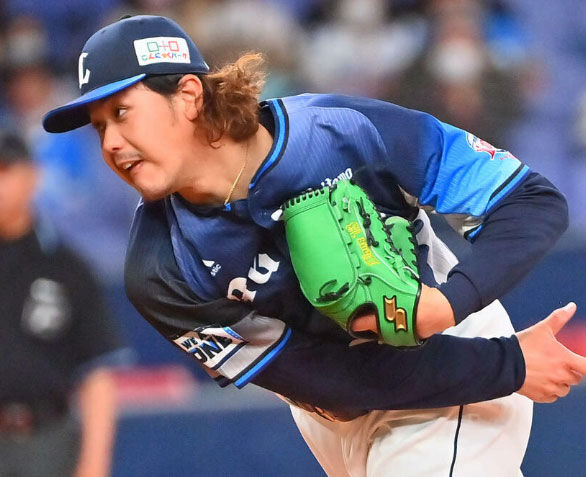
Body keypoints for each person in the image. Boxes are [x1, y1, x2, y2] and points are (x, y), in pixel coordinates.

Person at [42, 15, 586, 477]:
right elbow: (329, 380)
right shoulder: (160, 270)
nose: (111, 143)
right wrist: (507, 365)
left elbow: (531, 199)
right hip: (336, 411)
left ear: (188, 95)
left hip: (449, 350)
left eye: (121, 113)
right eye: (98, 126)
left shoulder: (339, 130)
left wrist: (449, 307)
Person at [0, 130, 129, 477]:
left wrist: (94, 465)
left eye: (5, 170)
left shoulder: (66, 268)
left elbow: (97, 374)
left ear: (33, 176)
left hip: (45, 440)